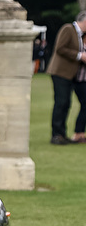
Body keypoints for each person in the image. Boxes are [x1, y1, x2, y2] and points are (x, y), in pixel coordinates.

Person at [46, 10, 86, 145]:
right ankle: (56, 135)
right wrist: (80, 56)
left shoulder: (80, 35)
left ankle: (62, 134)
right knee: (61, 103)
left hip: (70, 75)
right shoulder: (68, 29)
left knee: (66, 104)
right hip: (60, 72)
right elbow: (60, 48)